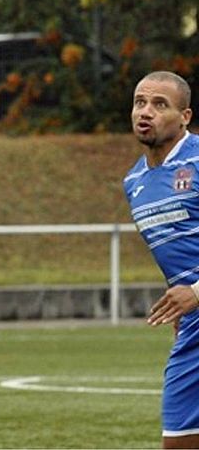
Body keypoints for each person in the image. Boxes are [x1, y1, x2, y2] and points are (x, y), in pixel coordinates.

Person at [124, 70, 199, 449]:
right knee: (180, 440)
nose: (146, 111)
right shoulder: (134, 182)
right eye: (140, 102)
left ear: (184, 116)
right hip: (194, 323)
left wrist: (197, 292)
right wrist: (183, 300)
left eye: (159, 104)